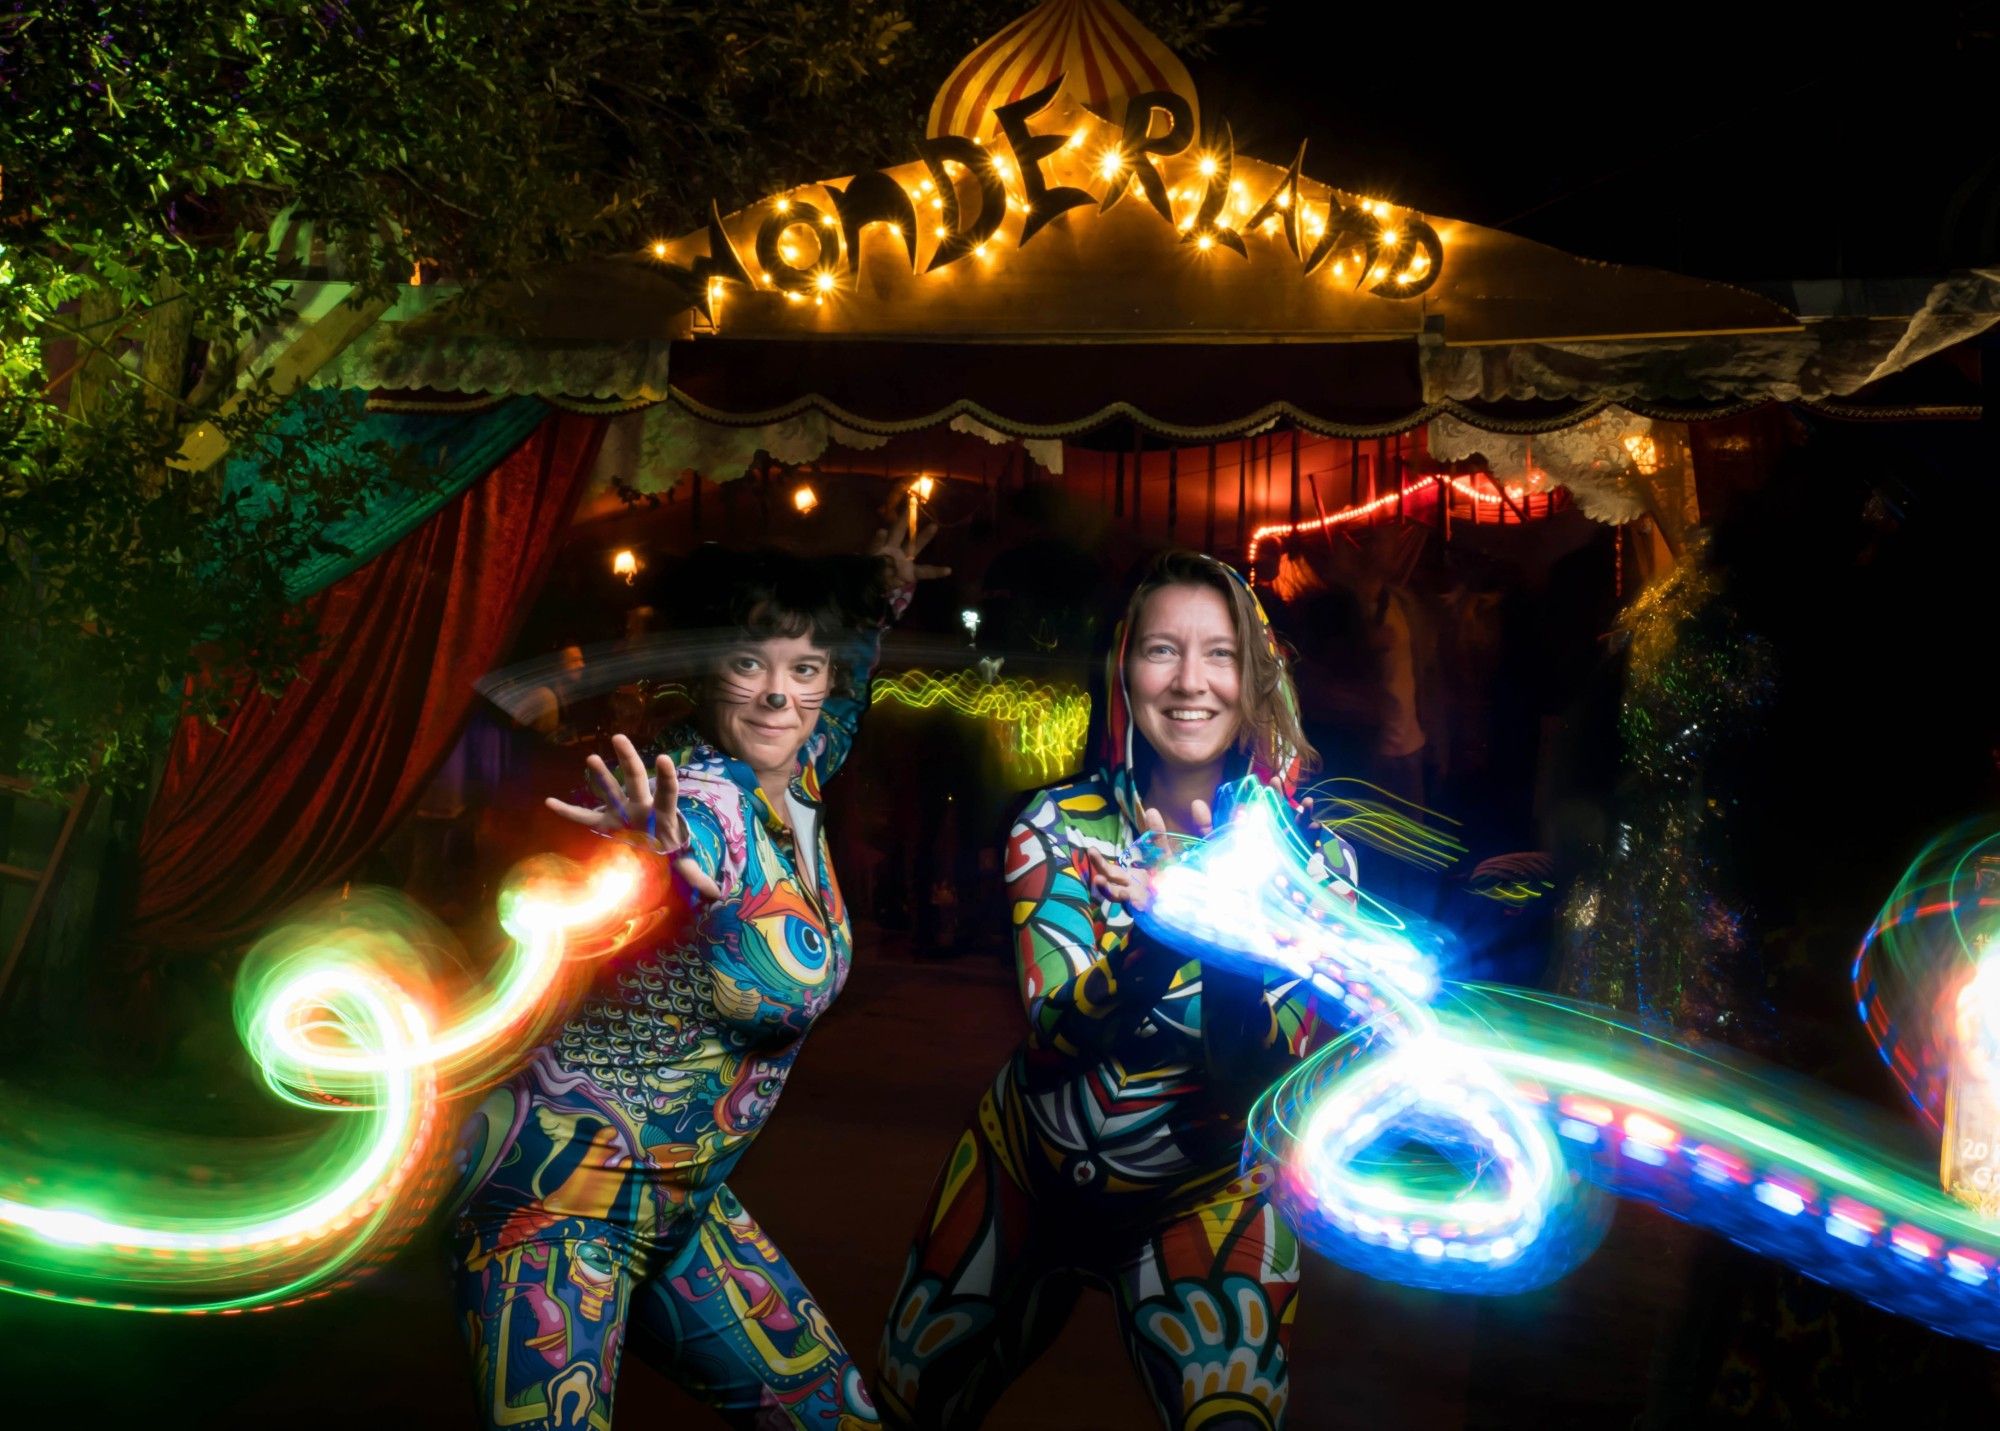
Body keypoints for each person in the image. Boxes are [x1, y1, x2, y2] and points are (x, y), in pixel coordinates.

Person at [447, 528, 946, 1430]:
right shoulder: (703, 795)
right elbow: (686, 833)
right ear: (708, 666)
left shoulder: (801, 767)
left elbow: (843, 696)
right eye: (749, 662)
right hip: (558, 1207)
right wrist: (656, 849)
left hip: (685, 1205)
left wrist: (881, 595)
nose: (777, 694)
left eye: (805, 668)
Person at [876, 550, 1357, 1431]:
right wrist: (1149, 944)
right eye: (1161, 650)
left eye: (1219, 653)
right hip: (1022, 1170)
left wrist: (1216, 937)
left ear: (1254, 677)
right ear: (1123, 671)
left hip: (1207, 1194)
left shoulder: (1313, 868)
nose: (1190, 681)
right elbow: (1055, 1038)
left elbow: (1255, 1080)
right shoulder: (1054, 828)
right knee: (907, 1410)